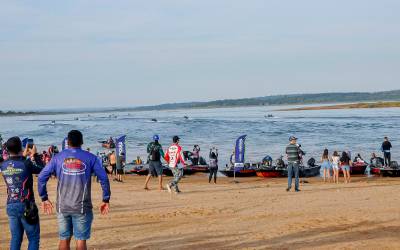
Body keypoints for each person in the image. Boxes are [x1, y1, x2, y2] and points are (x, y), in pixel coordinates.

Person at [38, 130, 111, 250]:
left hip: (63, 207)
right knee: (80, 241)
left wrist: (44, 198)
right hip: (81, 207)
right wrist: (106, 199)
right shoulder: (91, 158)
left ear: (68, 142)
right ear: (82, 142)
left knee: (64, 239)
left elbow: (41, 177)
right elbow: (103, 178)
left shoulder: (57, 157)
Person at [1, 137, 44, 250]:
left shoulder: (4, 165)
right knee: (33, 238)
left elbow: (16, 164)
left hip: (11, 204)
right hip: (27, 205)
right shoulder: (26, 163)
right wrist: (35, 155)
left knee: (15, 238)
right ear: (21, 147)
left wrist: (24, 155)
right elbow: (42, 169)